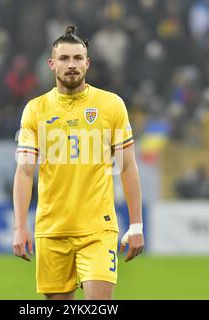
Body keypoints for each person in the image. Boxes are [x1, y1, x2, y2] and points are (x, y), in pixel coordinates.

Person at [13, 25, 144, 300]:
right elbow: (25, 173)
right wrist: (20, 227)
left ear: (87, 63)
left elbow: (128, 167)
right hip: (51, 230)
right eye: (64, 59)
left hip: (98, 229)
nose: (71, 65)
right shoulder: (35, 111)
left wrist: (136, 226)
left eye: (77, 58)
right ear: (51, 64)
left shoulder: (111, 106)